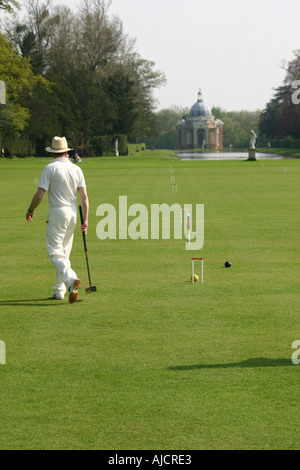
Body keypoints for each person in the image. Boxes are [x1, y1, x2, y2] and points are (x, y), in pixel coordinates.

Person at [26, 136, 89, 303]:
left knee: (54, 252)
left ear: (53, 153)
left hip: (57, 212)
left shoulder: (50, 168)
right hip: (73, 213)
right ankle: (60, 290)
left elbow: (39, 194)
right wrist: (86, 221)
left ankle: (70, 279)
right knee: (64, 253)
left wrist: (30, 210)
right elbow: (84, 198)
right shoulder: (77, 169)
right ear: (66, 152)